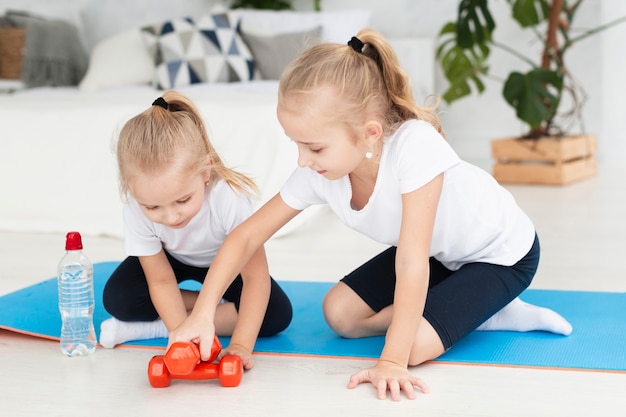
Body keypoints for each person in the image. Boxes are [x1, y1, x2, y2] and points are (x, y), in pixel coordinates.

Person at [168, 29, 572, 399]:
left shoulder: (415, 146)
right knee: (339, 314)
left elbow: (412, 260)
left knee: (410, 347)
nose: (302, 159)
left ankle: (489, 311)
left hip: (501, 256)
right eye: (296, 144)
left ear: (370, 133)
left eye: (313, 147)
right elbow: (245, 237)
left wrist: (392, 361)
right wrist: (202, 314)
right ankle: (469, 310)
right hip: (442, 254)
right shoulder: (321, 171)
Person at [99, 91, 293, 370]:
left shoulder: (228, 197)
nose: (170, 217)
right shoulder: (134, 207)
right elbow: (161, 281)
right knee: (119, 298)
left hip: (226, 262)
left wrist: (239, 346)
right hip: (171, 262)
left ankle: (169, 322)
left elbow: (255, 279)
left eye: (182, 200)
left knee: (276, 315)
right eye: (153, 208)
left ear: (205, 173)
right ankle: (165, 328)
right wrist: (182, 339)